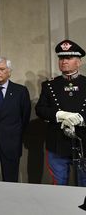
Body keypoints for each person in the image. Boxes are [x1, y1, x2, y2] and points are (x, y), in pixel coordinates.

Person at [36, 39, 86, 186]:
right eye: (61, 58)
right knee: (59, 186)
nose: (64, 61)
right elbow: (40, 109)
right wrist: (60, 115)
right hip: (57, 143)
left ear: (79, 62)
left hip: (84, 142)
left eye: (69, 58)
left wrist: (82, 118)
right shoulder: (49, 85)